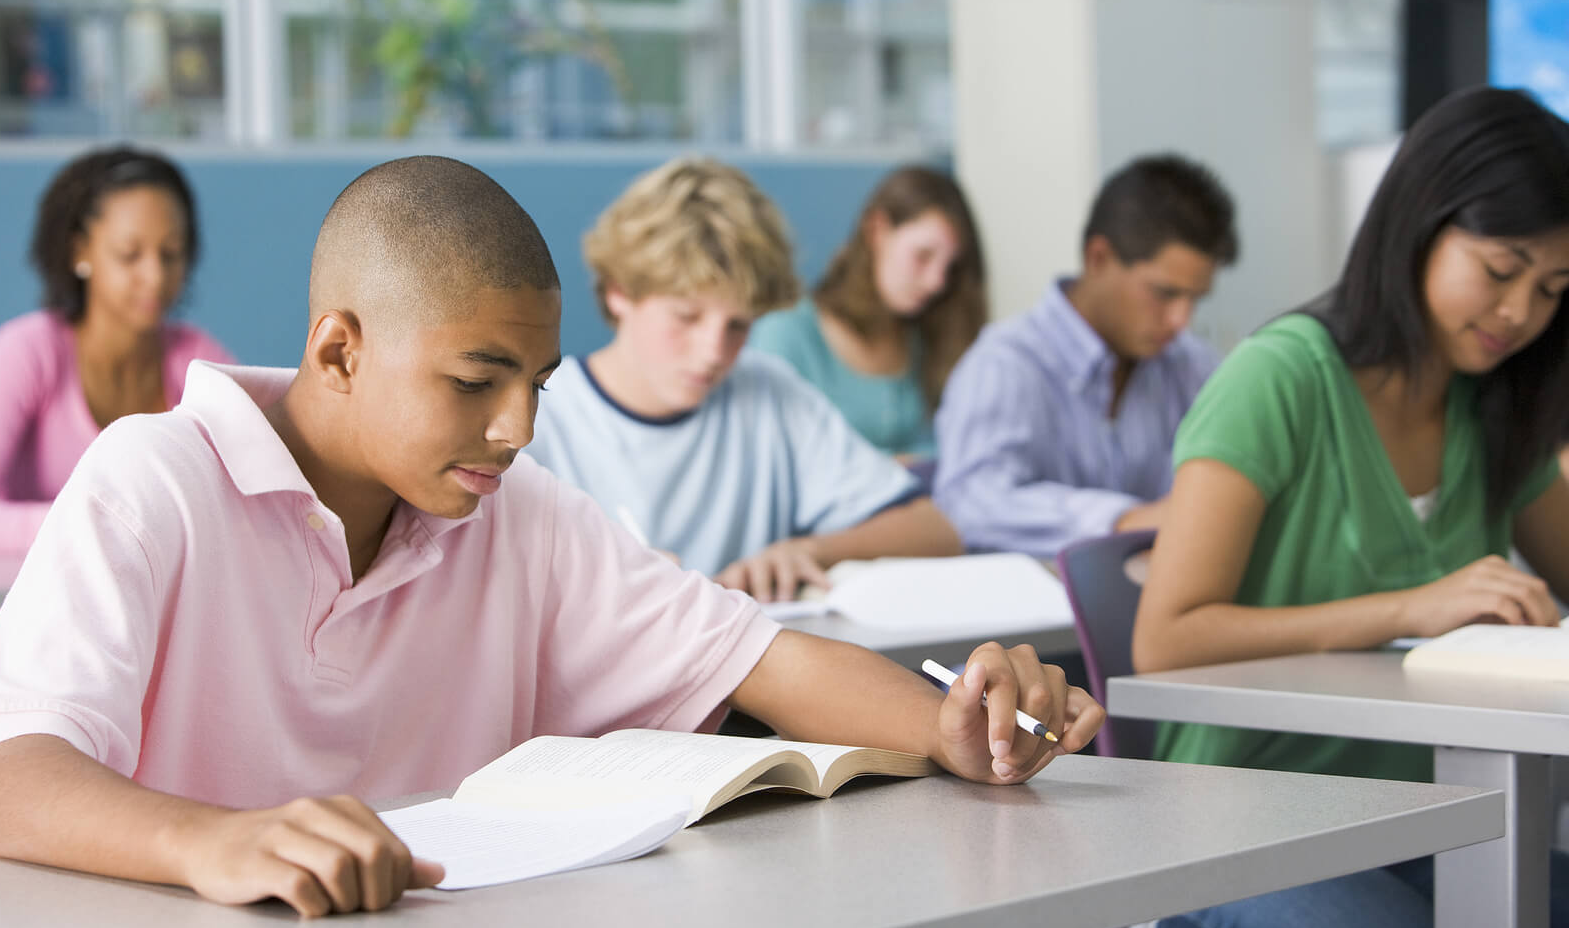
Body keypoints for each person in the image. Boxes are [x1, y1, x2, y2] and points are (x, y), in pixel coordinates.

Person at [0, 156, 1104, 917]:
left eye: (536, 382)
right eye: (476, 379)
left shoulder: (519, 513)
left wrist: (954, 725)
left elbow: (766, 660)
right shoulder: (154, 475)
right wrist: (208, 844)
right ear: (338, 351)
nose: (514, 427)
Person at [1132, 86, 1569, 928]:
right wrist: (1412, 607)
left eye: (1554, 289)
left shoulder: (1496, 399)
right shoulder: (1279, 378)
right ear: (1421, 225)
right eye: (1501, 270)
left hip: (1420, 815)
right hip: (1225, 825)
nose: (1521, 311)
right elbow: (1167, 638)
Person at [527, 157, 962, 602]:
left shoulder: (768, 392)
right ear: (619, 292)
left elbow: (934, 531)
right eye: (686, 316)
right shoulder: (538, 419)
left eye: (738, 325)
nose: (714, 352)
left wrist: (808, 551)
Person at [932, 155, 1237, 559]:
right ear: (1098, 258)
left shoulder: (1192, 365)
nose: (1181, 319)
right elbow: (968, 505)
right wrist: (1124, 521)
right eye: (1164, 293)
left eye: (1194, 299)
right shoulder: (1006, 364)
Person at [0, 145, 233, 557]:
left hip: (141, 617)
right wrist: (97, 522)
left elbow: (249, 491)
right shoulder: (27, 351)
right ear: (80, 252)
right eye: (130, 255)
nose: (155, 276)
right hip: (17, 613)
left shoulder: (197, 359)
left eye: (171, 254)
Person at [750, 165, 986, 461]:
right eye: (923, 256)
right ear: (878, 230)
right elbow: (778, 461)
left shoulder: (926, 337)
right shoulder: (786, 334)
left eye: (949, 267)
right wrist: (896, 466)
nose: (936, 282)